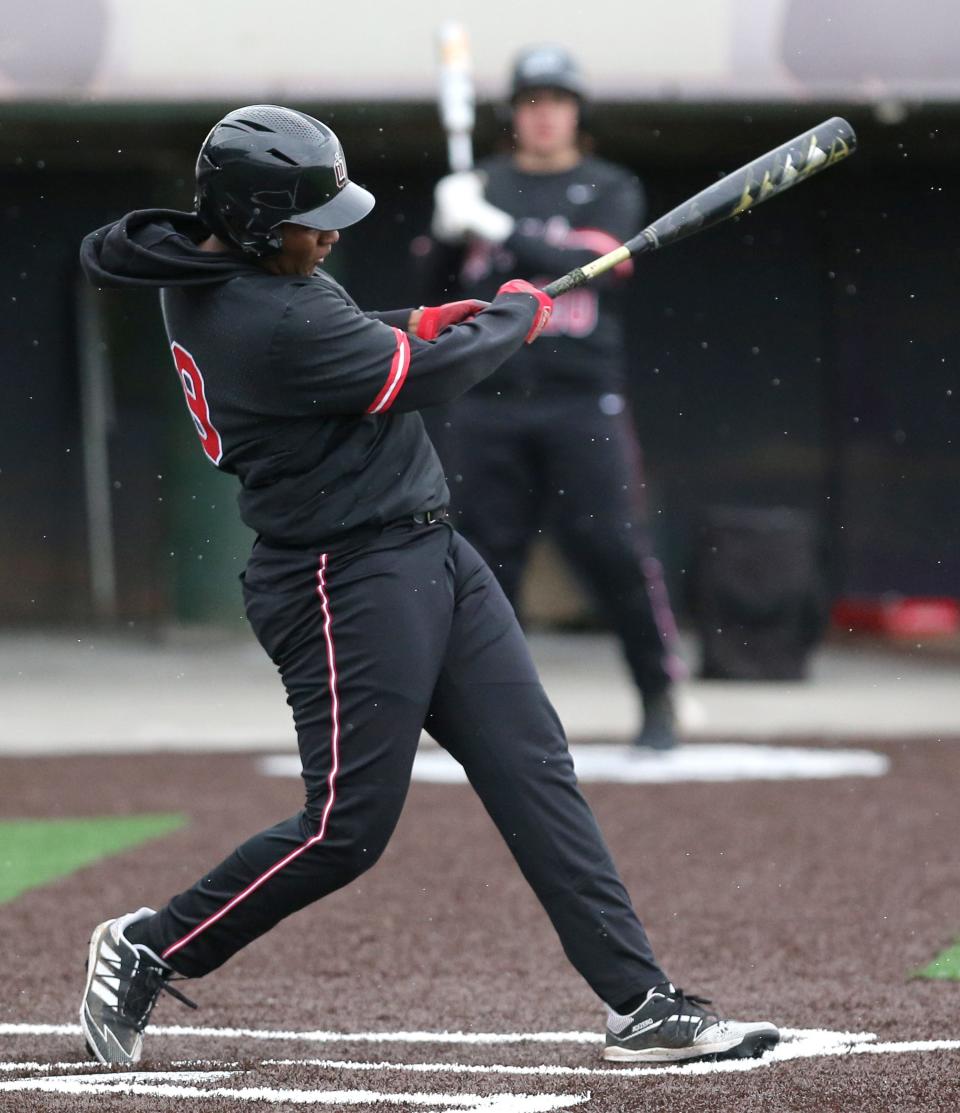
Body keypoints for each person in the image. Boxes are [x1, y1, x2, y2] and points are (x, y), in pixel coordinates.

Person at [77, 104, 778, 1069]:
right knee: (344, 829)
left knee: (535, 770)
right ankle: (151, 945)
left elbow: (363, 339)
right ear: (248, 222)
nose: (331, 234)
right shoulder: (263, 313)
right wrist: (511, 318)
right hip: (340, 576)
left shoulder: (222, 270)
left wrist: (419, 317)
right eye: (311, 219)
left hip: (428, 551)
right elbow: (425, 376)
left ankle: (639, 1001)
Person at [427, 45, 683, 750]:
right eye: (532, 102)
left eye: (557, 102)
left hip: (581, 398)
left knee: (611, 549)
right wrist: (448, 235)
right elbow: (440, 295)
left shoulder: (608, 185)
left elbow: (599, 265)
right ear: (515, 112)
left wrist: (502, 230)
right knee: (481, 561)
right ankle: (482, 716)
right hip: (488, 396)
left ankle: (658, 696)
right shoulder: (478, 183)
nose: (545, 116)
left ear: (577, 112)